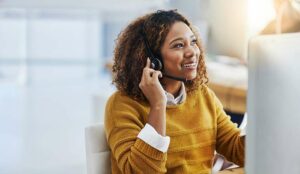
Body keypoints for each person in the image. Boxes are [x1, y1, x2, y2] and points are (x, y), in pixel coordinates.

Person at [104, 9, 245, 174]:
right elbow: (140, 171)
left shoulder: (202, 95)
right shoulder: (122, 105)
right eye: (178, 45)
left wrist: (266, 121)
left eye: (193, 42)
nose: (192, 52)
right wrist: (158, 105)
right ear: (151, 59)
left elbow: (237, 150)